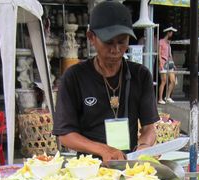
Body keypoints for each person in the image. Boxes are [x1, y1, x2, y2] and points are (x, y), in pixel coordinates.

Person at [53, 0, 159, 162]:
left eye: (122, 41)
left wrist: (144, 146)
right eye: (108, 42)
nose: (115, 49)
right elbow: (65, 135)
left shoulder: (140, 75)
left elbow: (149, 127)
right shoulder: (74, 77)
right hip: (88, 167)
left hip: (129, 163)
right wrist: (103, 150)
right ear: (91, 37)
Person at [158, 26, 178, 104]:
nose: (172, 34)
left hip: (169, 62)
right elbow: (159, 53)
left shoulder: (168, 43)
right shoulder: (161, 41)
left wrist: (173, 64)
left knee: (172, 81)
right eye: (171, 32)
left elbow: (170, 55)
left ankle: (167, 96)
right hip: (163, 61)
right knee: (163, 81)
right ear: (168, 33)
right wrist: (160, 63)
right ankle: (160, 98)